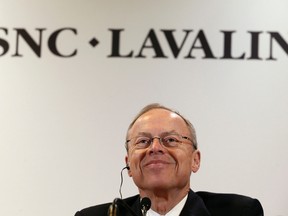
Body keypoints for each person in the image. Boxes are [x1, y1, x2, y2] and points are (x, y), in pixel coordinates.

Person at [75, 103, 264, 216]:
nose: (155, 148)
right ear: (129, 165)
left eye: (171, 140)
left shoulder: (239, 212)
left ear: (195, 160)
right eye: (143, 141)